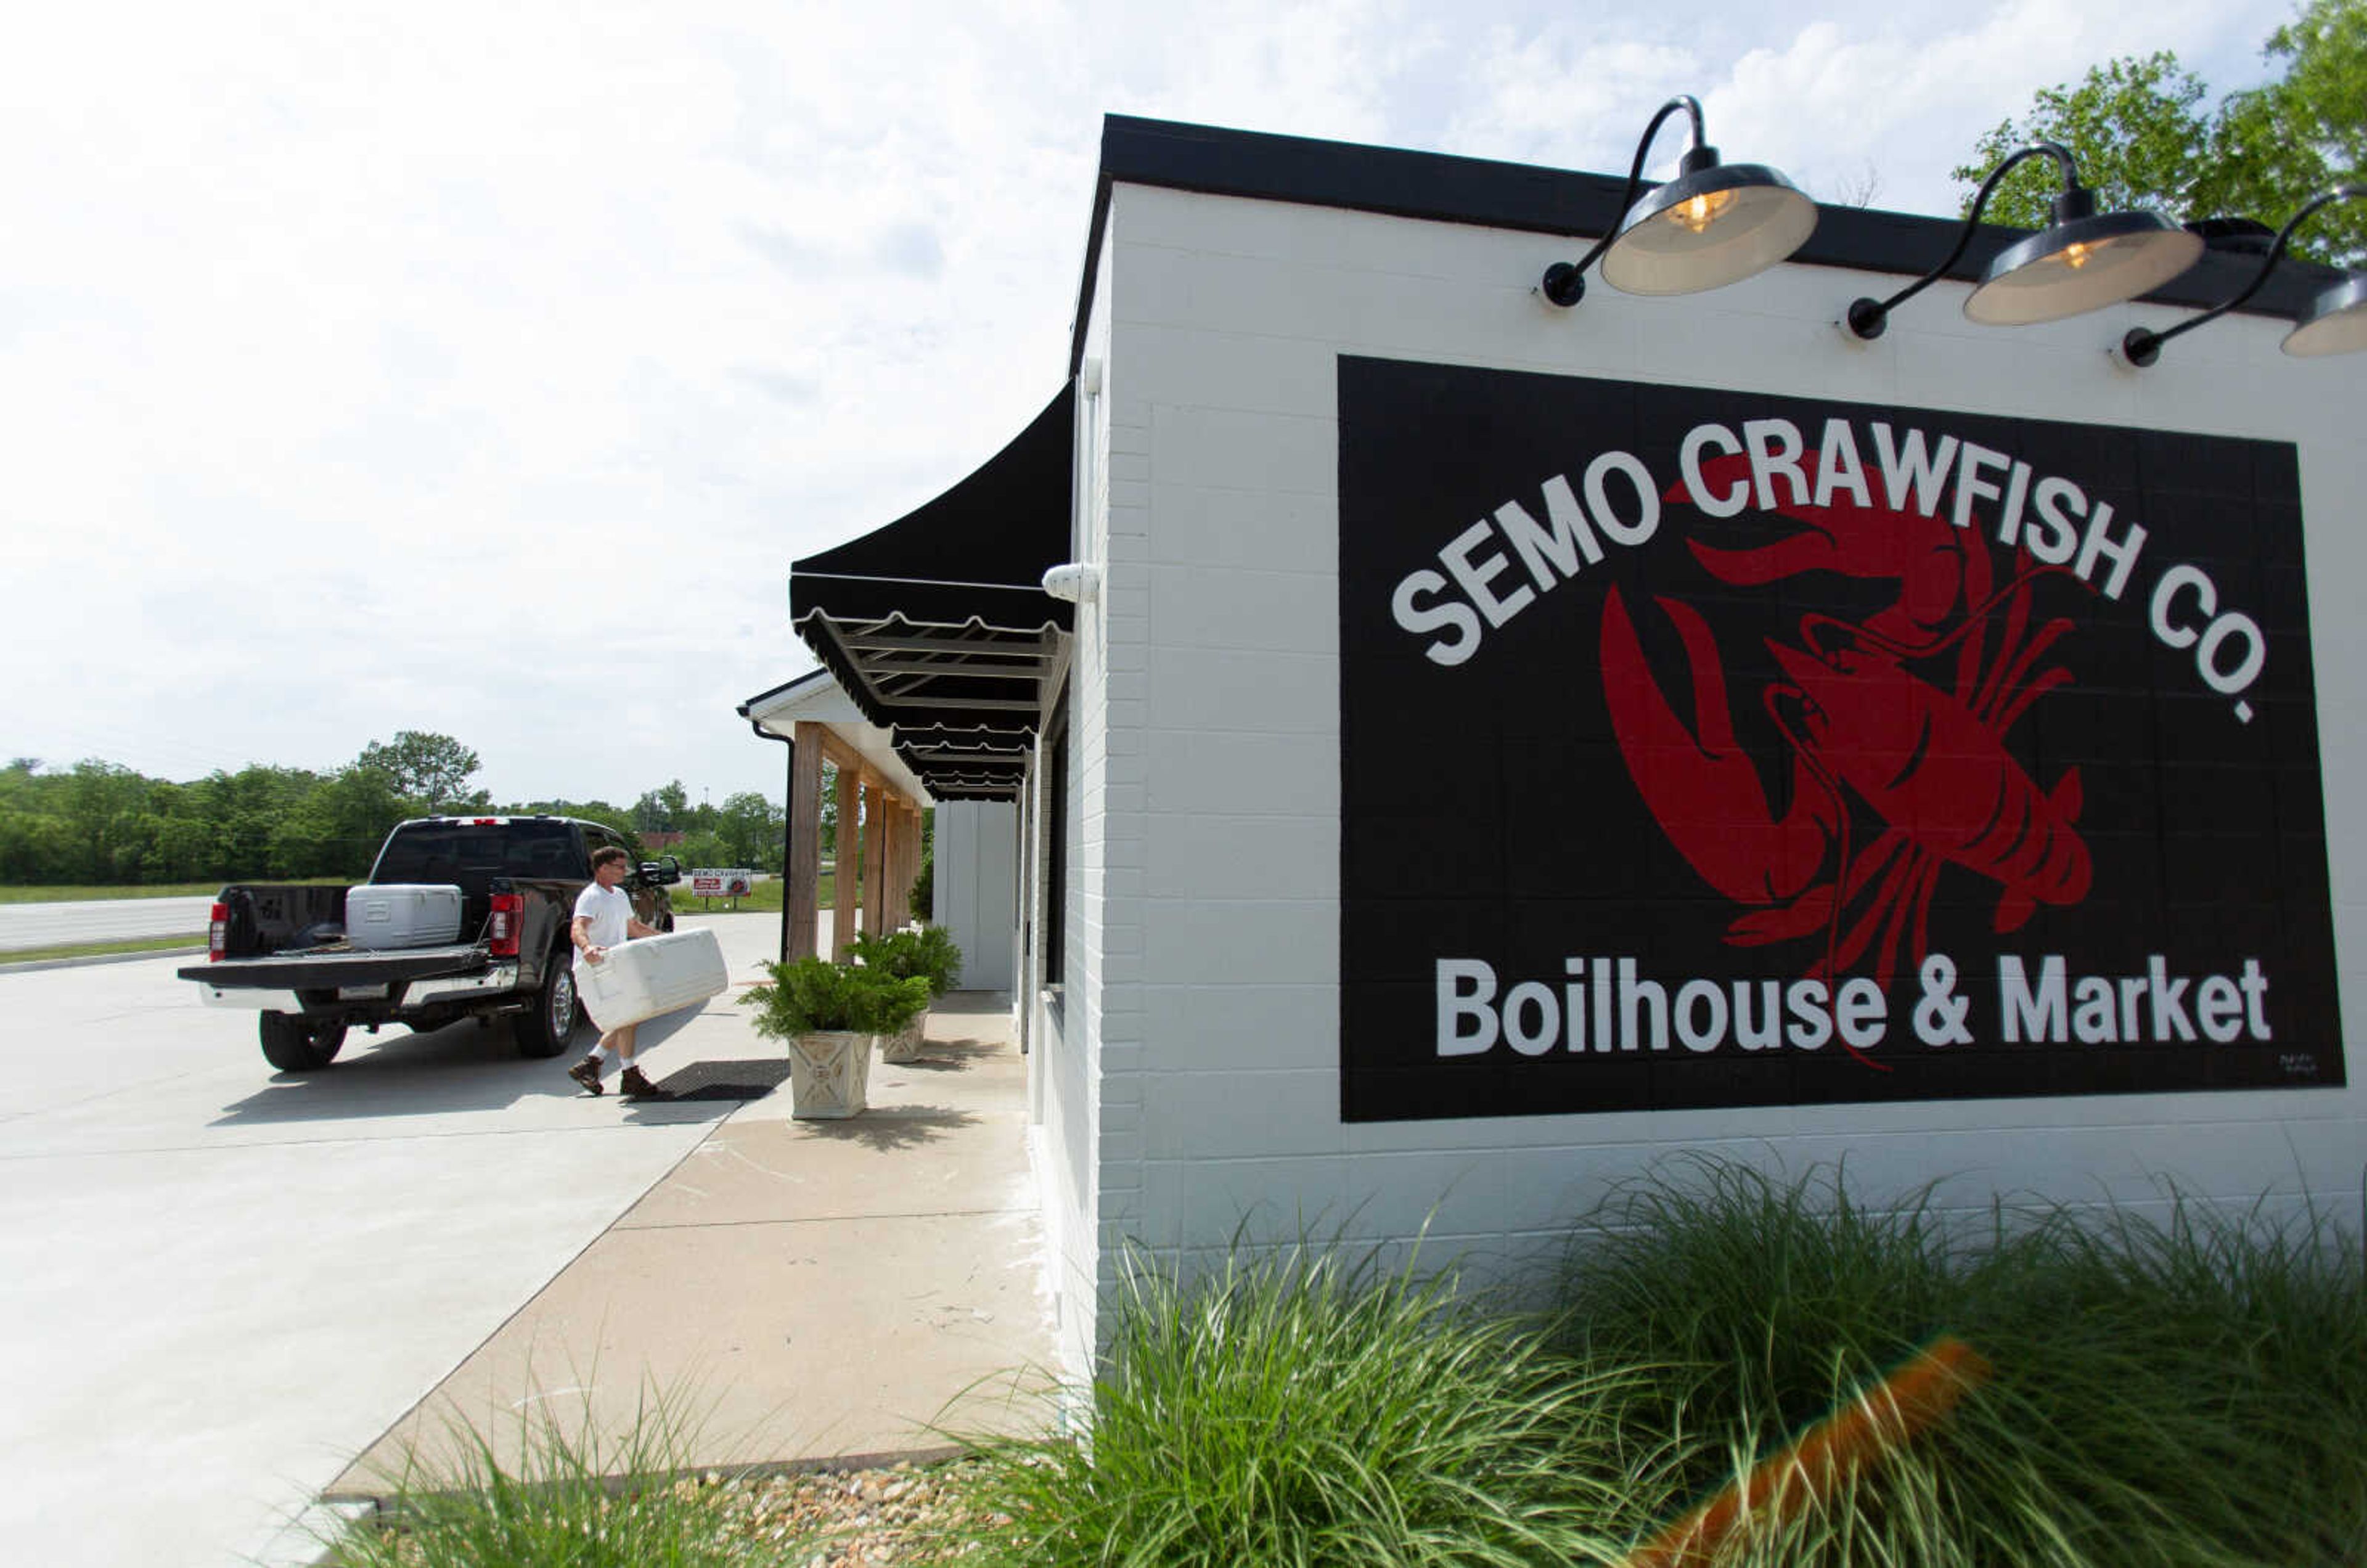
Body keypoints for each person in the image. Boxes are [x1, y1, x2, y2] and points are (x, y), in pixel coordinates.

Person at [565, 846, 666, 1099]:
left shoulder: (619, 895)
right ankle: (627, 1074)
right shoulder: (591, 896)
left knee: (629, 1015)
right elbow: (578, 927)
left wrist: (667, 940)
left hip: (617, 965)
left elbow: (633, 928)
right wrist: (587, 947)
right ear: (603, 868)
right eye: (620, 867)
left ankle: (593, 1065)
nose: (625, 871)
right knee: (629, 1014)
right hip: (595, 969)